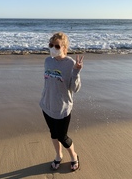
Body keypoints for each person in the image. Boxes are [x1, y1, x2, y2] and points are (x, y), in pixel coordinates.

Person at [39, 32, 84, 171]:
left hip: (62, 108)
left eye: (57, 46)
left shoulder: (70, 64)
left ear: (64, 48)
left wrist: (76, 72)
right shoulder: (48, 61)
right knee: (53, 133)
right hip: (47, 105)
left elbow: (74, 89)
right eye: (51, 45)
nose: (53, 48)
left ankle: (74, 156)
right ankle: (58, 155)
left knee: (63, 137)